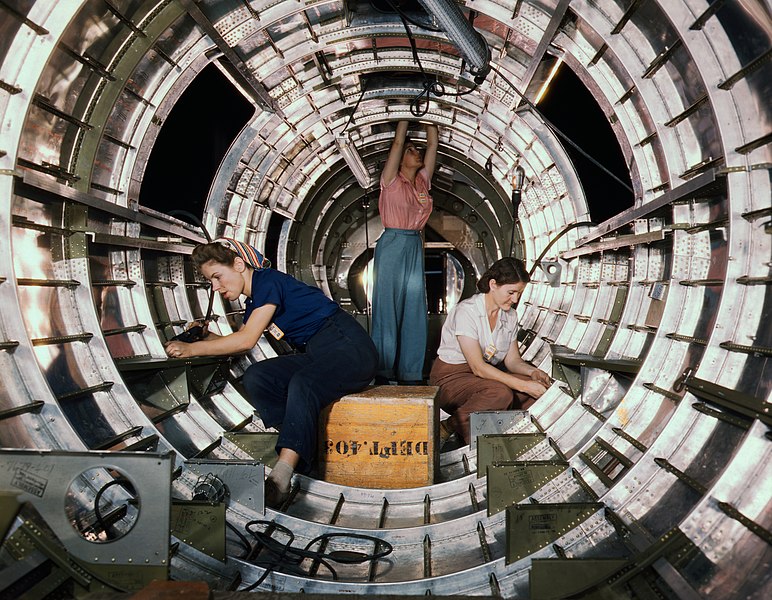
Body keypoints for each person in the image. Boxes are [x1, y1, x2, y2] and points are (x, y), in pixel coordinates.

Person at [164, 238, 378, 508]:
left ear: (239, 264)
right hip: (318, 352)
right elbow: (239, 341)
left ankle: (281, 477)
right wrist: (203, 338)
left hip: (350, 349)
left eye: (217, 277)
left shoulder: (267, 281)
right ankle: (299, 446)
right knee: (258, 376)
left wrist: (191, 351)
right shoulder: (256, 302)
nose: (216, 288)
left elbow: (245, 341)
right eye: (211, 282)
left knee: (304, 382)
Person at [428, 257, 552, 446]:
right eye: (511, 292)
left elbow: (513, 362)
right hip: (450, 379)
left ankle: (506, 439)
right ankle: (450, 427)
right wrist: (523, 385)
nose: (515, 299)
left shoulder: (510, 315)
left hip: (483, 379)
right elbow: (478, 367)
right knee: (501, 393)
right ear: (493, 284)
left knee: (531, 388)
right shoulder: (467, 311)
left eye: (519, 293)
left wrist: (533, 373)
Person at [371, 120, 439, 384]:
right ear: (399, 159)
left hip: (413, 244)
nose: (417, 152)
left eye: (417, 150)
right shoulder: (390, 180)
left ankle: (410, 373)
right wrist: (405, 117)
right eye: (412, 150)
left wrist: (431, 115)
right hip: (392, 244)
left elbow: (433, 143)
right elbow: (398, 142)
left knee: (414, 309)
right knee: (386, 308)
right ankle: (383, 371)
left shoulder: (422, 182)